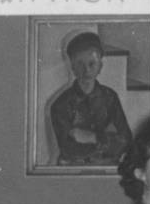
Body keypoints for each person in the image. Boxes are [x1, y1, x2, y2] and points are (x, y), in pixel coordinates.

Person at [47, 31, 132, 166]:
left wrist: (92, 137)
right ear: (72, 67)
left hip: (107, 168)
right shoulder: (60, 105)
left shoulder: (110, 97)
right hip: (72, 171)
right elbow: (68, 150)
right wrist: (108, 140)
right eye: (80, 64)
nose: (86, 70)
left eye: (92, 63)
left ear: (100, 66)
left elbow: (126, 141)